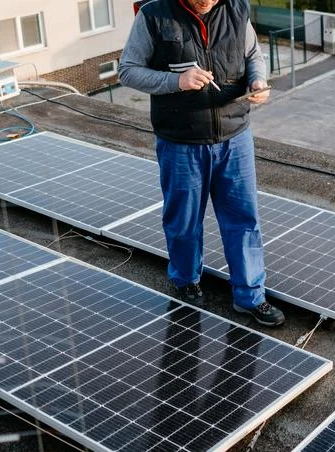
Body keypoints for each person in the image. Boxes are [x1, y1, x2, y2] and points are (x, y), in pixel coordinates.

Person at [118, 0, 284, 326]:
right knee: (183, 221)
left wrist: (257, 83)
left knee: (243, 220)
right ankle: (186, 282)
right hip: (181, 142)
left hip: (234, 138)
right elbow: (128, 70)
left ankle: (250, 296)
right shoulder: (154, 14)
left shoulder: (237, 10)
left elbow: (253, 57)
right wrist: (175, 81)